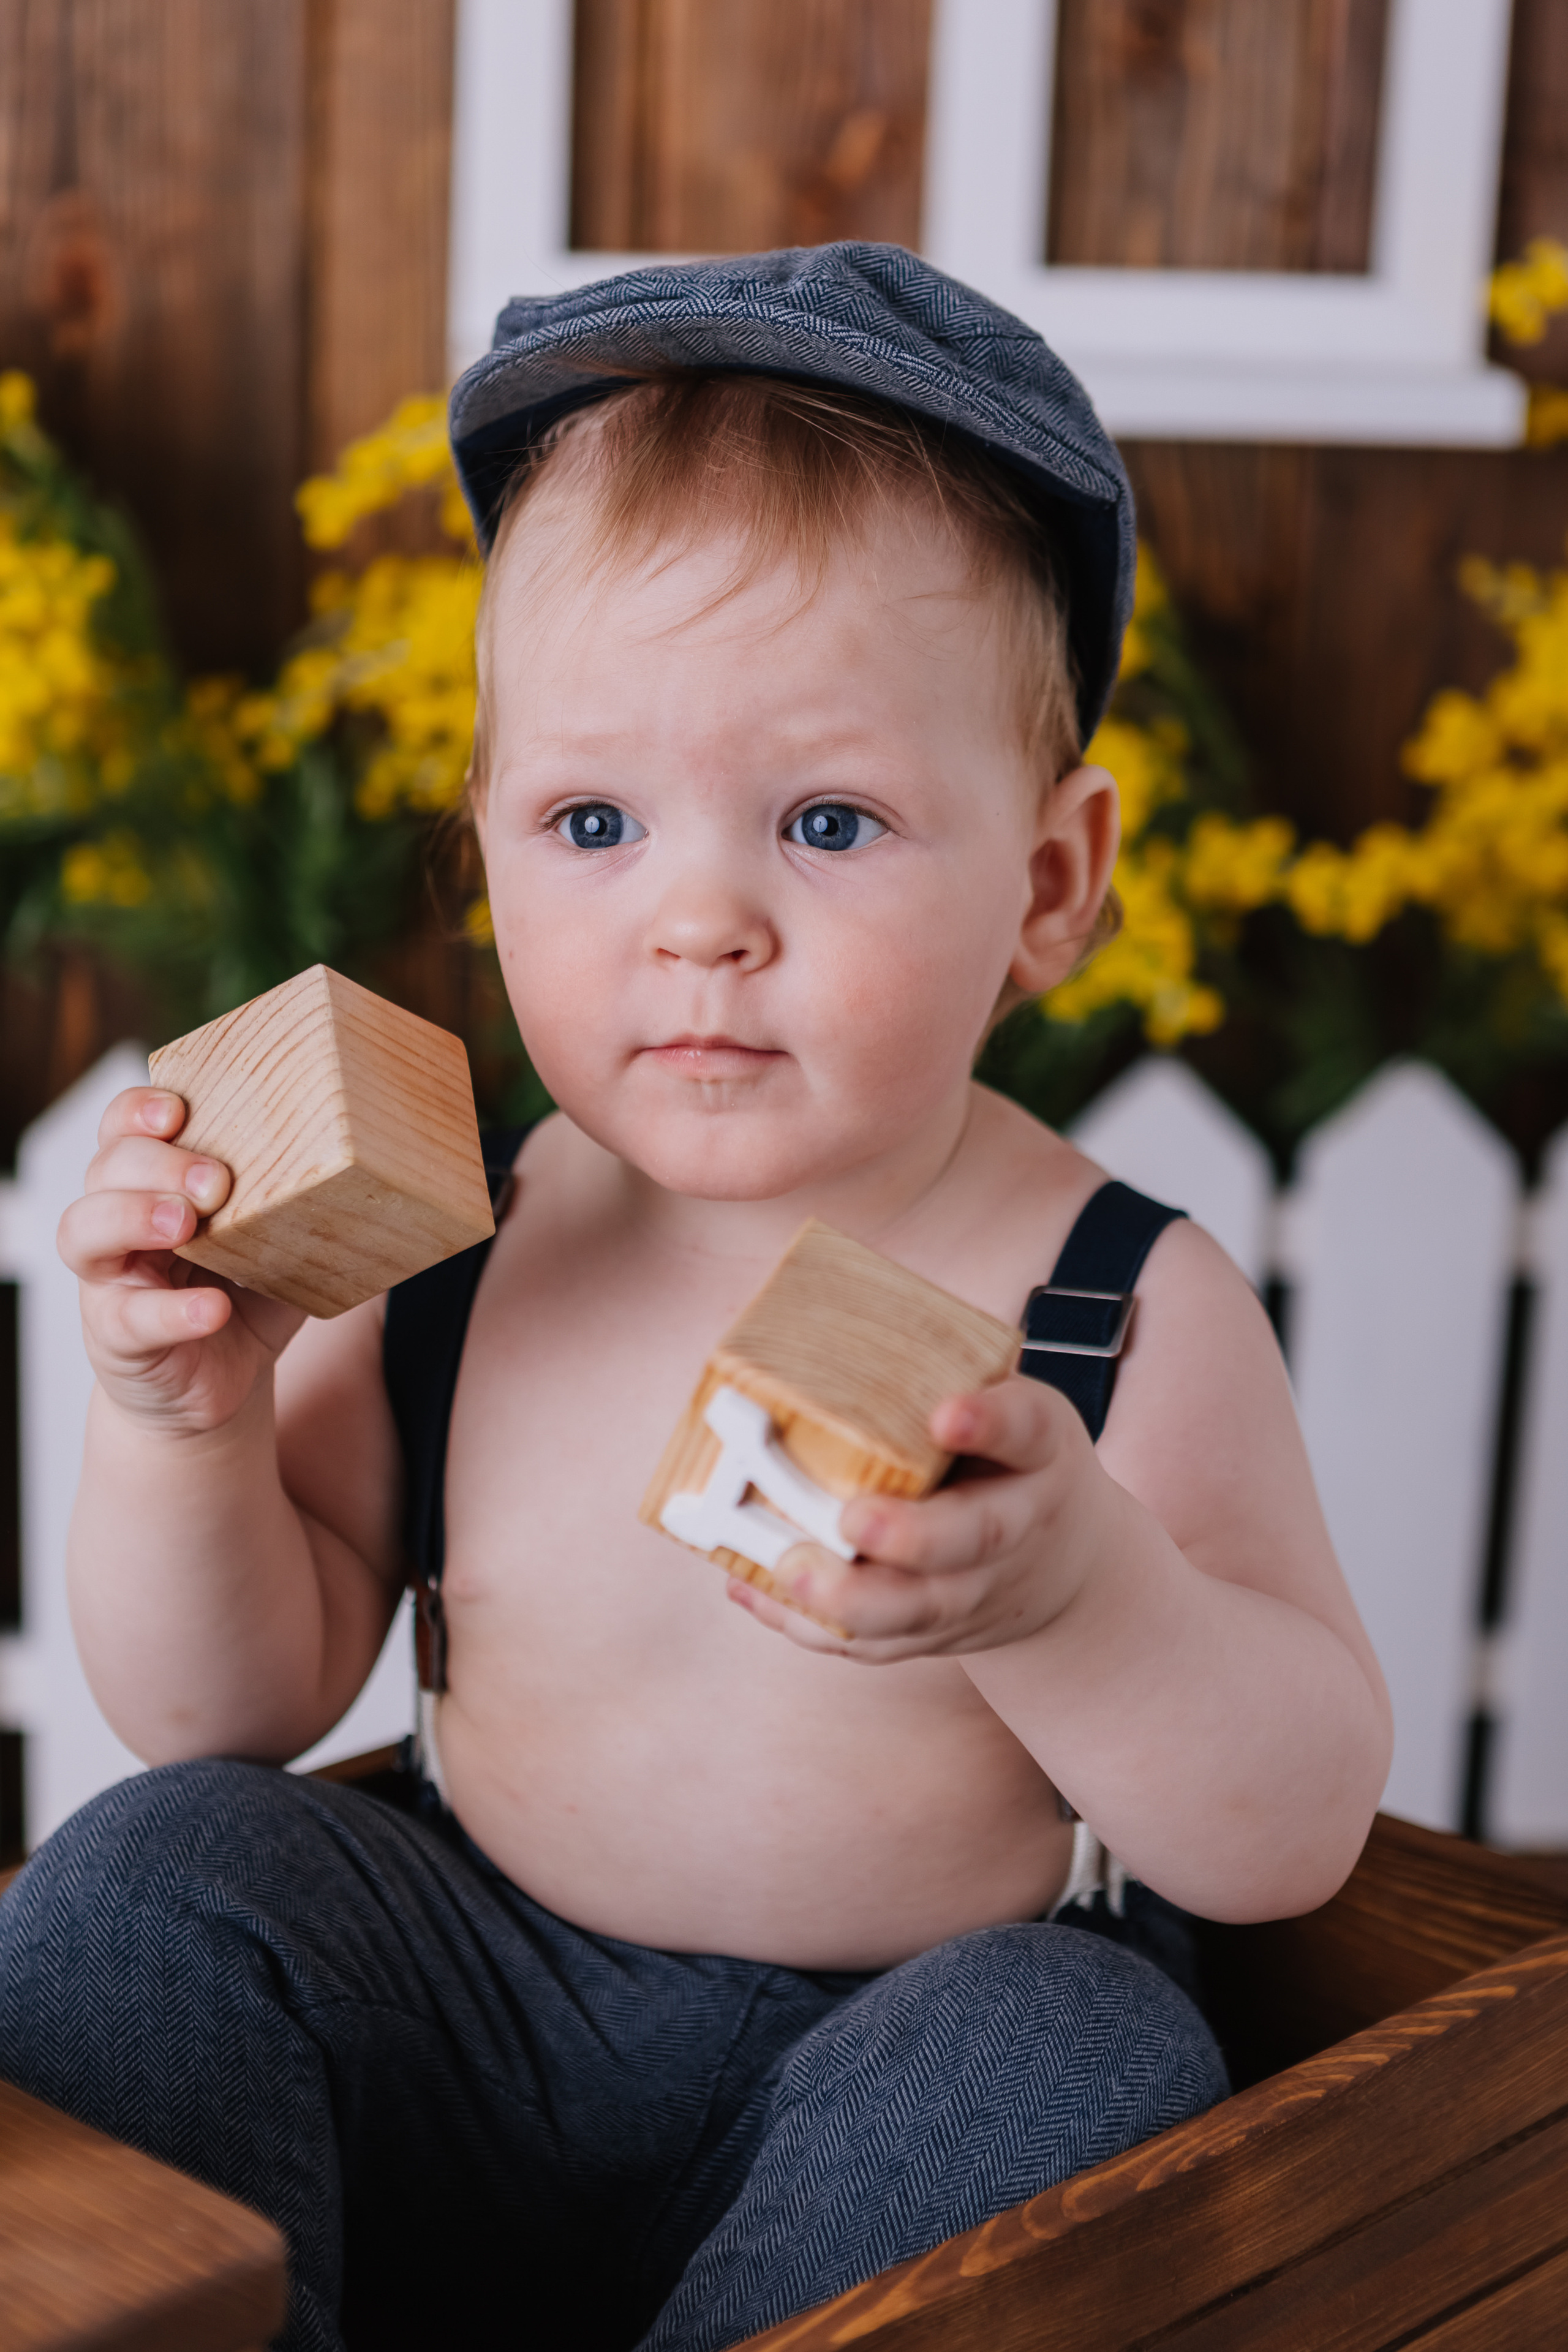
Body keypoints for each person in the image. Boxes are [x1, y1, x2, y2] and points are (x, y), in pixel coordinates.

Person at [0, 246, 1391, 2352]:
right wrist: (182, 1417)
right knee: (151, 1864)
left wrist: (1070, 1592)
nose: (701, 921)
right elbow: (229, 1705)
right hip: (472, 2021)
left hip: (891, 2082)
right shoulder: (465, 1240)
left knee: (1085, 2046)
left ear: (1050, 883)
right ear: (484, 854)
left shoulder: (1113, 1302)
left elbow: (1290, 1833)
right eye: (593, 821)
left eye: (828, 820)